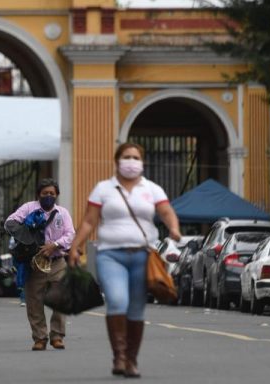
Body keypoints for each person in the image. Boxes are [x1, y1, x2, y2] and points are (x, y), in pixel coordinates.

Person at [68, 142, 181, 377]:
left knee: (137, 308)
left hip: (143, 255)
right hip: (111, 254)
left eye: (136, 157)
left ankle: (131, 360)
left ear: (142, 162)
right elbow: (90, 220)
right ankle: (119, 356)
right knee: (118, 301)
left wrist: (174, 228)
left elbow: (166, 211)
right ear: (117, 161)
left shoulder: (152, 189)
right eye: (127, 157)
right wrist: (75, 246)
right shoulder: (103, 188)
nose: (131, 161)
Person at [5, 178, 75, 351]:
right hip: (34, 263)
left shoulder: (63, 213)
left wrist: (55, 245)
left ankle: (57, 336)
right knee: (34, 302)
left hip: (57, 261)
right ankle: (40, 338)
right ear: (39, 194)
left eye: (52, 193)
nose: (48, 196)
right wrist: (28, 239)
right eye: (45, 193)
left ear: (57, 195)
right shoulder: (28, 208)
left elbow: (70, 234)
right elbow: (10, 223)